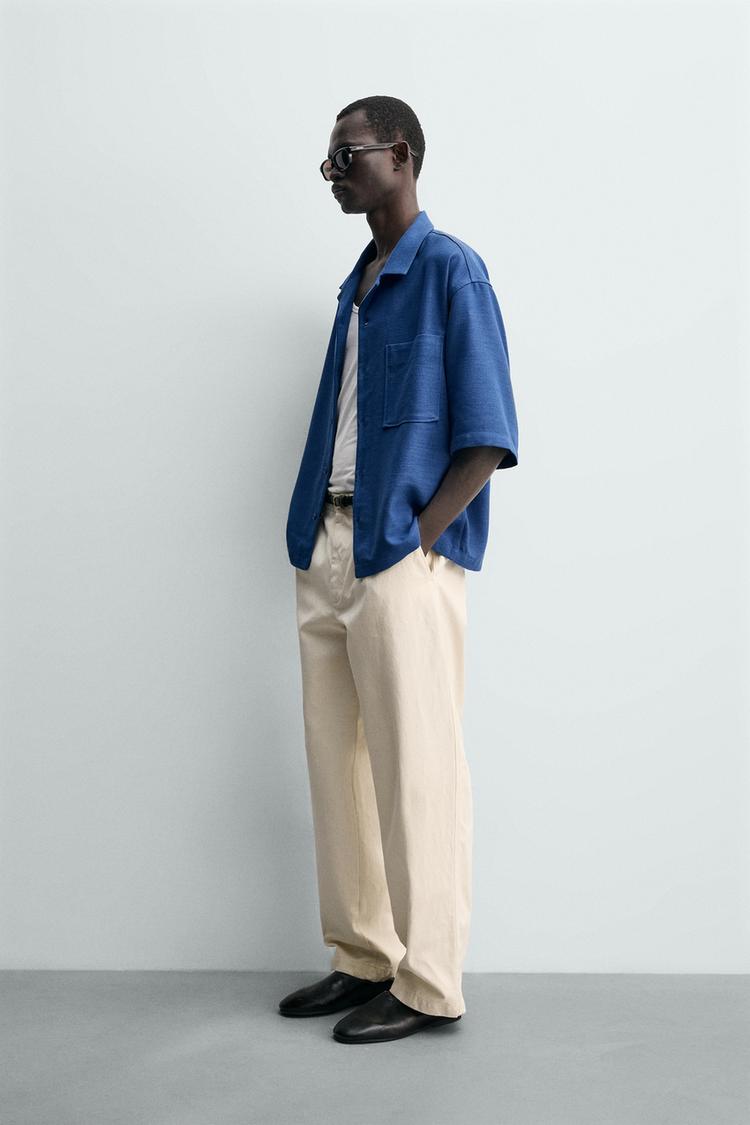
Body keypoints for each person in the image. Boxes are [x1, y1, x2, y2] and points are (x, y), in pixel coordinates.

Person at [281, 95, 519, 1044]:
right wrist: (317, 533)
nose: (333, 174)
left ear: (403, 155)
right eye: (328, 161)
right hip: (327, 543)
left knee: (419, 769)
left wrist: (421, 536)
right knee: (336, 765)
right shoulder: (357, 283)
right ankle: (363, 955)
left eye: (347, 156)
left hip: (399, 556)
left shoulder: (452, 269)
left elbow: (488, 433)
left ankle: (428, 982)